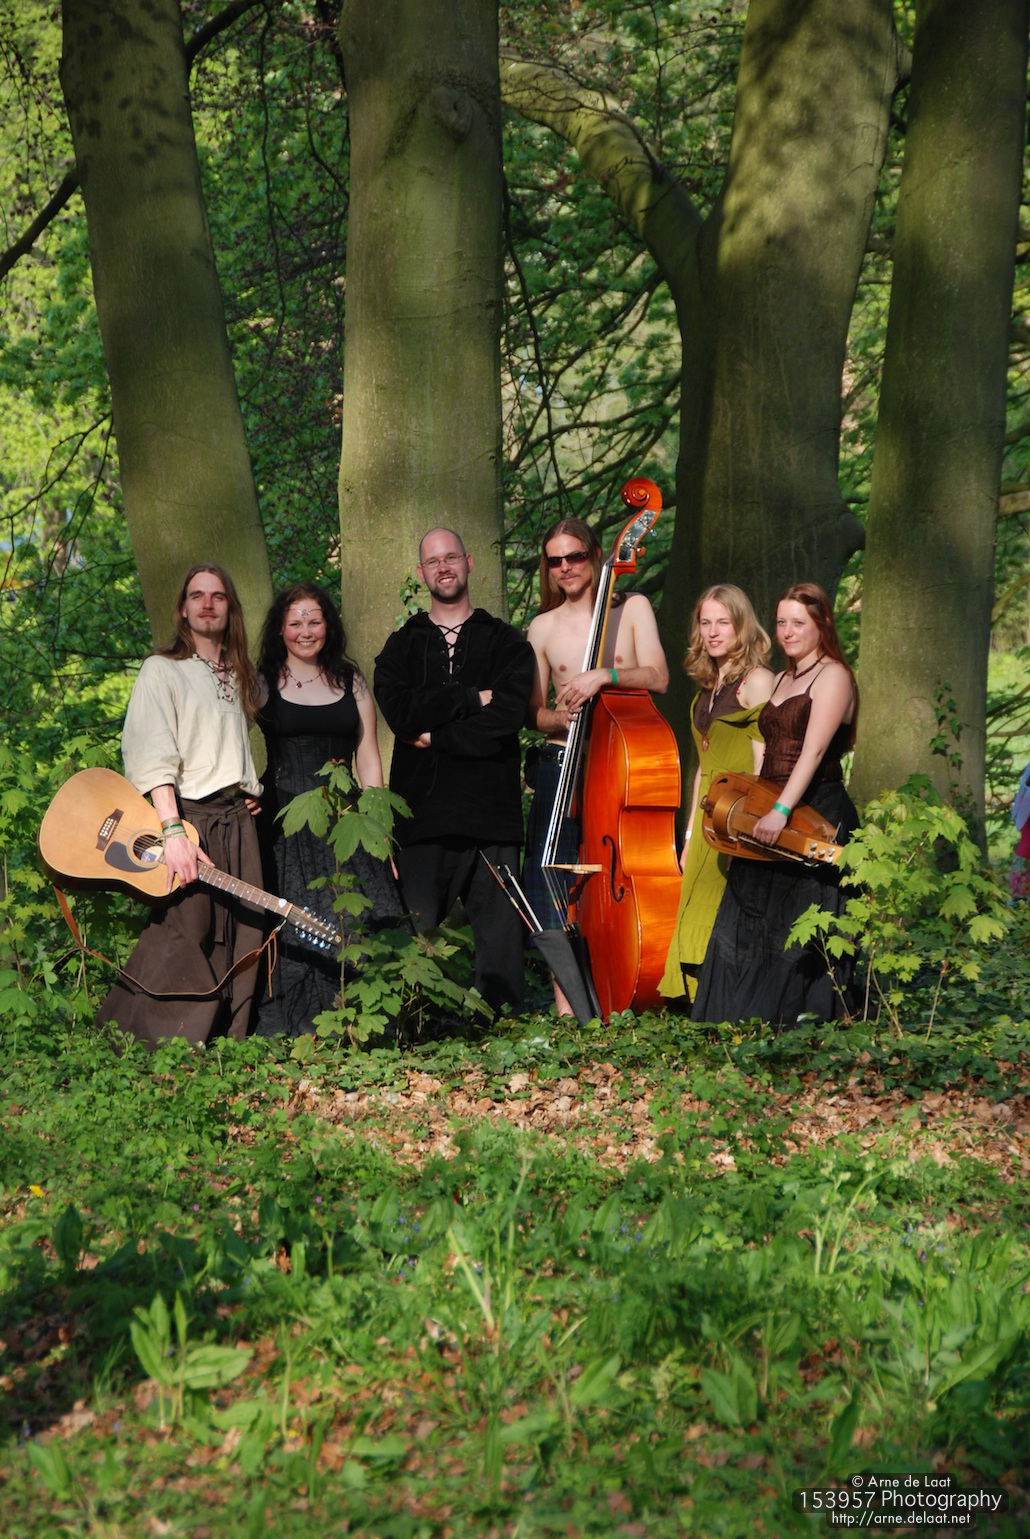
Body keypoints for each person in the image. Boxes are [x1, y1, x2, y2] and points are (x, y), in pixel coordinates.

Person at [95, 564, 265, 1047]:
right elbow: (152, 756)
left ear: (230, 608)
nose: (207, 603)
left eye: (218, 596)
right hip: (188, 819)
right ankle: (142, 1041)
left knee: (245, 930)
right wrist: (172, 833)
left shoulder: (242, 675)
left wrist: (249, 790)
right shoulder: (162, 669)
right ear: (183, 609)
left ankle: (228, 1041)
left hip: (238, 821)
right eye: (197, 595)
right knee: (186, 930)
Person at [373, 528, 535, 1015]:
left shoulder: (507, 642)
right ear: (421, 573)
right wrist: (471, 698)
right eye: (433, 561)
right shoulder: (401, 646)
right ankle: (410, 1028)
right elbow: (401, 712)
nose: (443, 567)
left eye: (451, 558)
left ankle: (503, 1030)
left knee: (502, 950)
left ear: (468, 563)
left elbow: (505, 719)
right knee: (411, 938)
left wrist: (436, 736)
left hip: (492, 815)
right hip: (423, 816)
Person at [692, 582, 859, 1027]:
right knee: (747, 913)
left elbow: (813, 752)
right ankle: (739, 1021)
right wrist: (751, 812)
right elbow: (764, 751)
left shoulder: (834, 676)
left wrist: (781, 811)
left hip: (814, 809)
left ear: (822, 624)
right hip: (767, 803)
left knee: (798, 921)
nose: (787, 631)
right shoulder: (783, 679)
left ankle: (799, 1027)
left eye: (798, 623)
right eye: (782, 622)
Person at [523, 517, 669, 1012]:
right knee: (555, 880)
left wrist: (604, 675)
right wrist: (557, 717)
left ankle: (622, 988)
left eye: (575, 556)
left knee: (616, 880)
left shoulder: (631, 608)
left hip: (618, 764)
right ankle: (568, 1010)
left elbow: (658, 676)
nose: (565, 567)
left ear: (596, 555)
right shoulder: (542, 627)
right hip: (562, 763)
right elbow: (533, 713)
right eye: (555, 561)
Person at [254, 582, 405, 1037]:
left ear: (328, 626)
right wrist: (243, 788)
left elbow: (369, 756)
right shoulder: (262, 681)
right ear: (280, 629)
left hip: (347, 819)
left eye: (314, 621)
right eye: (295, 622)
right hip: (284, 824)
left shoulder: (350, 680)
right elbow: (228, 739)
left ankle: (368, 1019)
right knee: (293, 920)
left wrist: (379, 827)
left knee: (361, 913)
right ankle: (298, 1024)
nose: (306, 631)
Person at [658, 585, 775, 1004]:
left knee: (726, 910)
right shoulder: (706, 688)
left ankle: (728, 1003)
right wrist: (690, 835)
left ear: (742, 626)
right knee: (696, 906)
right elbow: (701, 772)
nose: (712, 632)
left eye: (723, 622)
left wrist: (750, 825)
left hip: (738, 814)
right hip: (706, 816)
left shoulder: (758, 681)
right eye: (705, 622)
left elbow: (766, 761)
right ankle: (699, 1003)